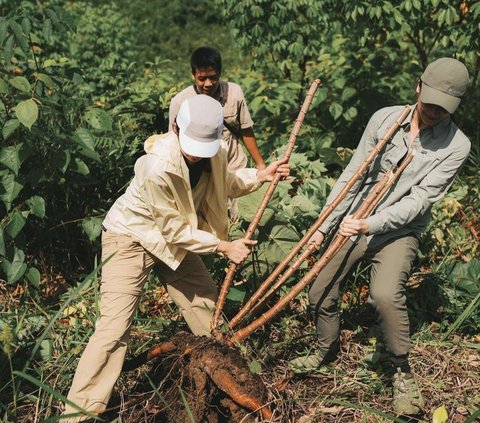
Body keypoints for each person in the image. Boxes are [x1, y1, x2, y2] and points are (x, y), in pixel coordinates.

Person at [61, 95, 290, 421]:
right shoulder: (157, 166)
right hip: (132, 238)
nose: (197, 154)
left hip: (178, 240)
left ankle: (231, 387)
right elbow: (174, 230)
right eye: (192, 145)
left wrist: (262, 175)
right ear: (176, 128)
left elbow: (227, 182)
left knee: (208, 308)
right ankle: (80, 414)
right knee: (114, 329)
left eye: (204, 147)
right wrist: (225, 246)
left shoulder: (216, 153)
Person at [290, 57, 470, 415]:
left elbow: (419, 202)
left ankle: (401, 370)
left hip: (399, 230)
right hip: (354, 217)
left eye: (443, 108)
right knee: (318, 290)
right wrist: (324, 226)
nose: (434, 111)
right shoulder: (385, 119)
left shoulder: (456, 145)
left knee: (385, 295)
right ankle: (326, 350)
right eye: (430, 102)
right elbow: (352, 175)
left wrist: (369, 225)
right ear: (418, 86)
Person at [169, 46, 266, 171]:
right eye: (202, 79)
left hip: (233, 167)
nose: (208, 84)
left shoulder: (234, 92)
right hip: (202, 174)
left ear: (220, 73)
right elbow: (174, 142)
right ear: (193, 74)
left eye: (213, 78)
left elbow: (246, 130)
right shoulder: (180, 102)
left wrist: (261, 165)